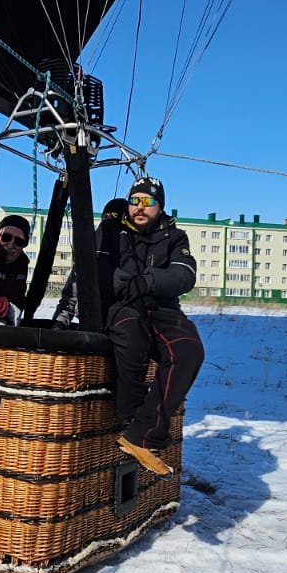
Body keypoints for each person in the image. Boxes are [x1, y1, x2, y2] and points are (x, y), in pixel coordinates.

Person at [105, 177, 204, 476]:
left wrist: (149, 281)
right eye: (134, 200)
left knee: (189, 350)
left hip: (161, 307)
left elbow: (184, 273)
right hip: (124, 305)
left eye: (148, 202)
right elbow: (92, 269)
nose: (140, 207)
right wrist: (118, 281)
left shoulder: (175, 237)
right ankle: (132, 415)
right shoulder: (112, 232)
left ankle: (141, 436)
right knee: (130, 331)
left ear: (160, 206)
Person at [52, 198, 128, 329]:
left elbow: (70, 297)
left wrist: (60, 322)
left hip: (118, 324)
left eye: (112, 218)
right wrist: (59, 323)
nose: (108, 224)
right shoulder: (90, 248)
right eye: (106, 217)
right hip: (95, 324)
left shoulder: (131, 251)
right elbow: (71, 295)